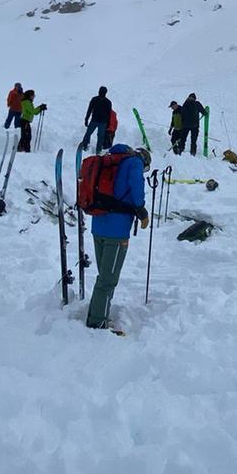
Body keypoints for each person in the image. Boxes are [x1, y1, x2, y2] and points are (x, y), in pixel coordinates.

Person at [85, 145, 150, 330]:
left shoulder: (108, 161)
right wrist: (142, 211)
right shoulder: (134, 162)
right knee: (108, 279)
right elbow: (136, 189)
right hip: (117, 230)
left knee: (104, 276)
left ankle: (96, 314)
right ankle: (97, 322)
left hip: (98, 224)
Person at [80, 86, 113, 154]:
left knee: (100, 137)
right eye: (100, 91)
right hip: (95, 120)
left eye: (102, 92)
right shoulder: (94, 99)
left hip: (102, 122)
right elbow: (89, 110)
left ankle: (98, 150)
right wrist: (86, 119)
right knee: (88, 134)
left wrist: (108, 124)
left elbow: (109, 114)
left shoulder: (108, 102)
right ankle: (85, 146)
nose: (101, 93)